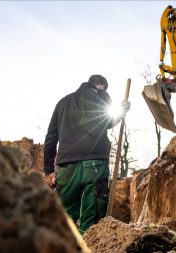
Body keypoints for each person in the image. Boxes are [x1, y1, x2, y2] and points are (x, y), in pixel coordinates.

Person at [43, 74, 130, 234]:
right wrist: (122, 109)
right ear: (102, 86)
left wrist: (48, 170)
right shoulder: (100, 98)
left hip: (67, 167)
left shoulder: (63, 103)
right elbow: (109, 121)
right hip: (95, 166)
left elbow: (51, 137)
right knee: (91, 224)